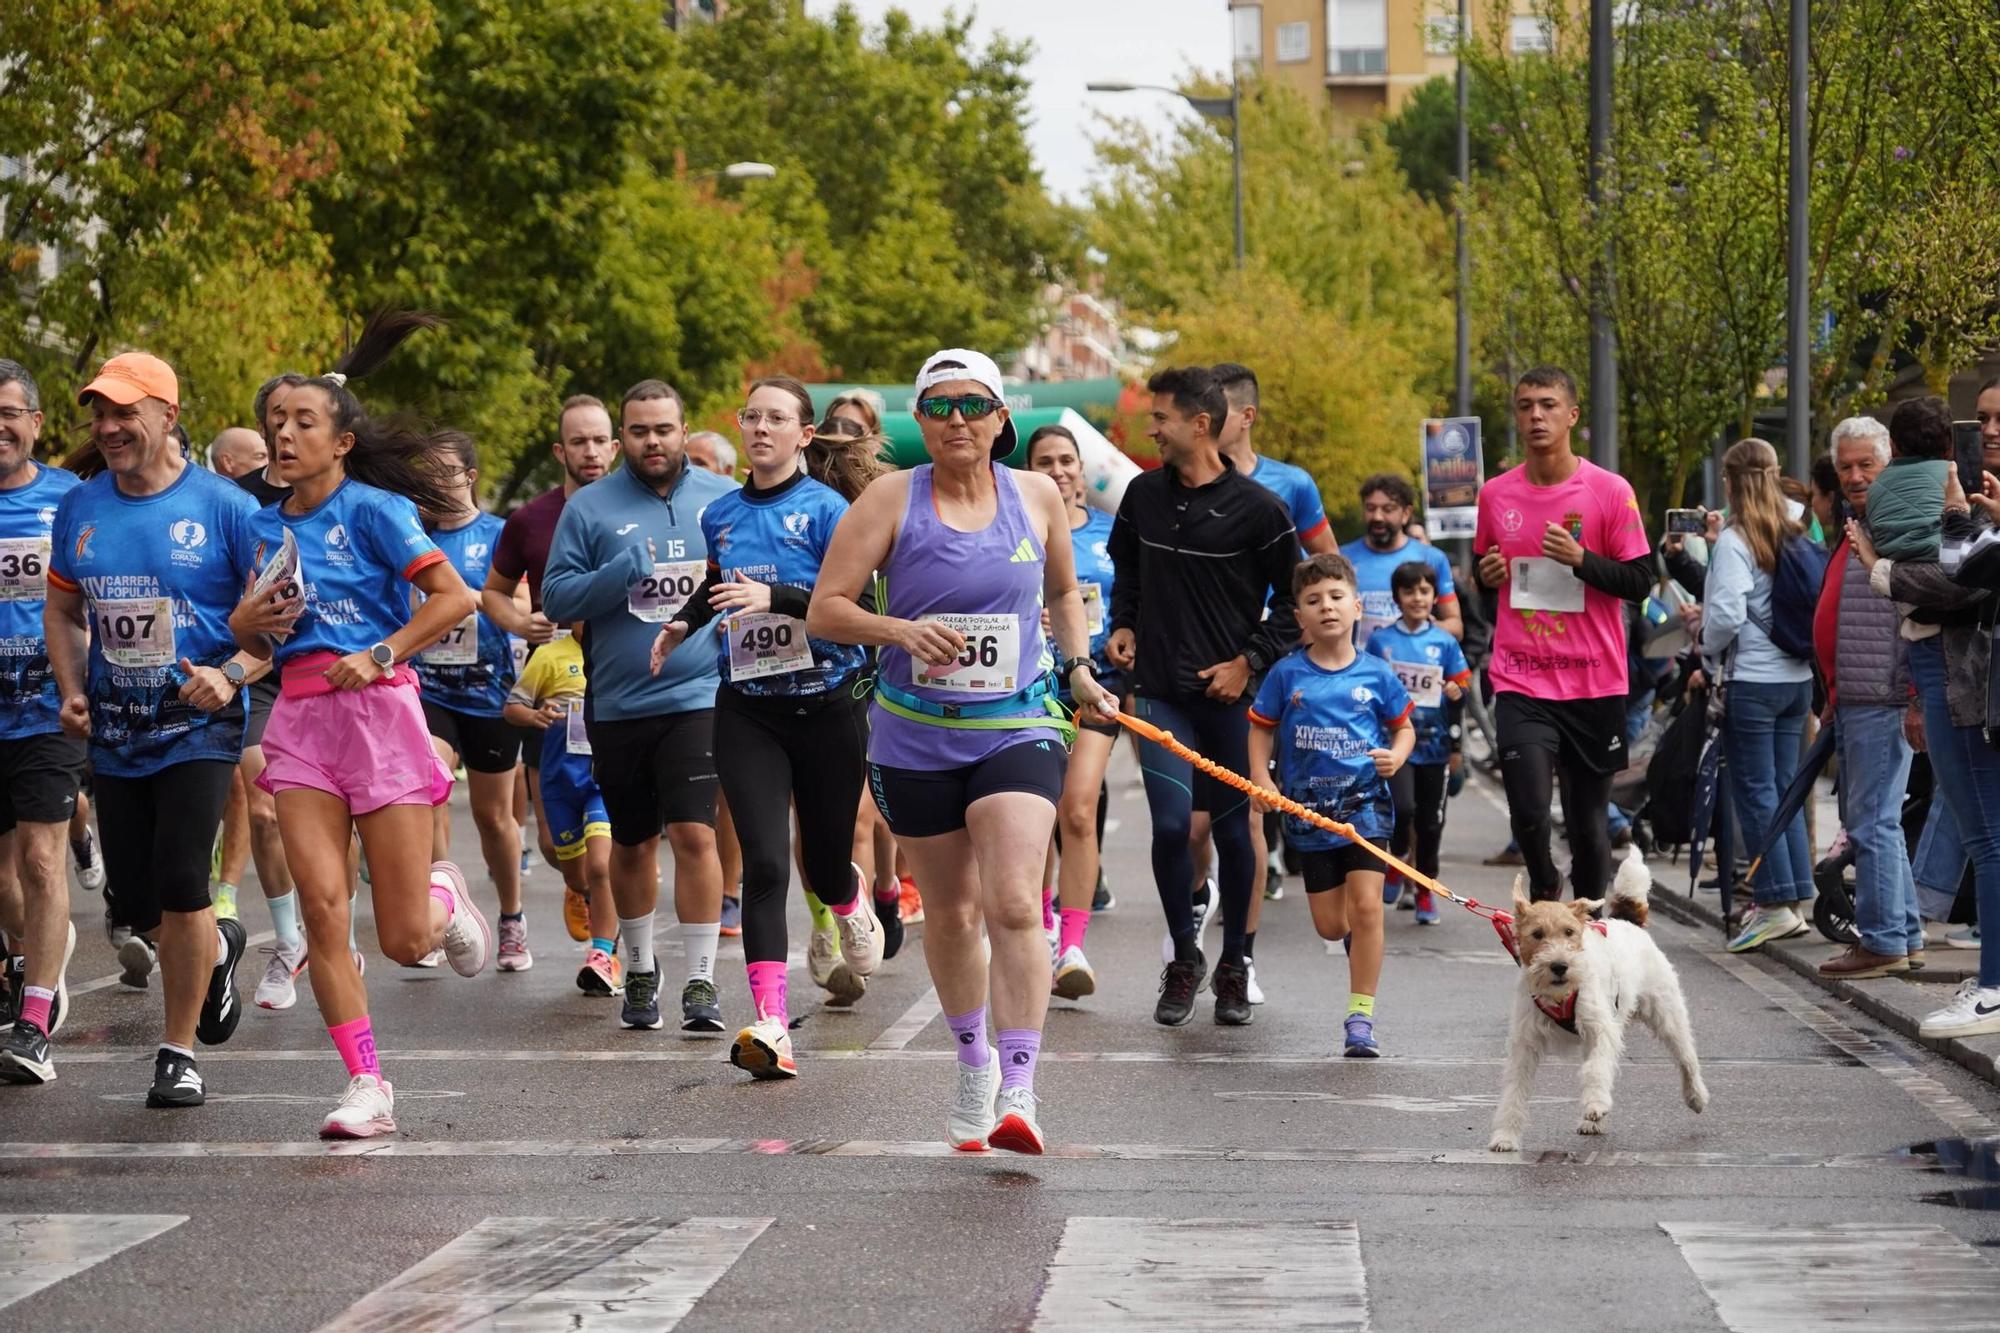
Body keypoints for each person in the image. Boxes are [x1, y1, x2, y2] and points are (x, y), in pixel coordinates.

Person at [809, 347, 1116, 1154]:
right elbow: (826, 609)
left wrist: (1079, 667)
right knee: (950, 910)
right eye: (940, 406)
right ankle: (973, 1061)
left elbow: (1059, 591)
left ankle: (1020, 1086)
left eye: (973, 404)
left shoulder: (1038, 495)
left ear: (1001, 417)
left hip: (1016, 725)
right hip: (915, 732)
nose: (957, 420)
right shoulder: (888, 499)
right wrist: (897, 630)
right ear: (920, 418)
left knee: (1015, 900)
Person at [227, 314, 492, 1139]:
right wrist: (242, 624)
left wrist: (381, 652)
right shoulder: (259, 522)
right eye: (276, 421)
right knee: (323, 908)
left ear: (341, 441)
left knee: (407, 937)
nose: (285, 433)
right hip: (303, 718)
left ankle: (445, 900)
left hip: (379, 712)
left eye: (304, 421)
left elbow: (458, 597)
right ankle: (366, 1082)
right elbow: (254, 640)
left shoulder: (376, 511)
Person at [34, 351, 264, 1101]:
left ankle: (178, 1051)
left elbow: (281, 625)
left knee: (180, 877)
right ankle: (218, 953)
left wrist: (227, 674)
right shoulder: (82, 504)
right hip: (116, 729)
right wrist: (72, 690)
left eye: (124, 412)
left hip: (199, 727)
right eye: (99, 414)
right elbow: (64, 610)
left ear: (168, 414)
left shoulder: (227, 508)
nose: (107, 427)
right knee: (135, 905)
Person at [651, 376, 880, 1080]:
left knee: (827, 856)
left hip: (827, 705)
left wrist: (775, 595)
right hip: (748, 706)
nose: (760, 428)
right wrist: (683, 623)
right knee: (764, 861)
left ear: (805, 435)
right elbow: (715, 577)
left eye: (776, 418)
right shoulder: (720, 512)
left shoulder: (829, 509)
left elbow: (861, 601)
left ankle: (848, 901)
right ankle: (773, 1022)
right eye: (751, 416)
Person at [1109, 365, 1301, 1028]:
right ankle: (1186, 955)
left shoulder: (1262, 511)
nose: (1151, 429)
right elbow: (1126, 569)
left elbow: (1296, 608)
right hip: (1159, 693)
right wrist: (1124, 624)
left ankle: (1236, 962)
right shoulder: (1141, 495)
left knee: (1232, 830)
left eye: (1160, 418)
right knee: (1169, 826)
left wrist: (1247, 664)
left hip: (1224, 701)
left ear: (1199, 423)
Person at [541, 379, 735, 1035]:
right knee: (632, 841)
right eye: (640, 430)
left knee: (694, 832)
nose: (653, 441)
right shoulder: (590, 508)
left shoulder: (720, 499)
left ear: (685, 430)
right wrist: (617, 572)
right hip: (619, 703)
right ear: (622, 436)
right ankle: (643, 965)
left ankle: (703, 979)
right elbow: (559, 599)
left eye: (664, 428)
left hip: (699, 694)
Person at [1474, 366, 1652, 904]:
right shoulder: (1495, 495)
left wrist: (1582, 561)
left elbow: (1640, 583)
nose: (1536, 415)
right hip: (1522, 679)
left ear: (1571, 415)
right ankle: (1548, 889)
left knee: (1587, 825)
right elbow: (1488, 592)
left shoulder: (1609, 491)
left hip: (1593, 681)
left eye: (1548, 404)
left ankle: (1591, 927)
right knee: (1528, 813)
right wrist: (1486, 580)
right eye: (1525, 405)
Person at [1858, 413, 2000, 1036]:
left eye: (1996, 418)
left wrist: (1878, 568)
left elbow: (1961, 581)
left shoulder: (1947, 490)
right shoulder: (1956, 487)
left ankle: (1994, 988)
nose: (1986, 429)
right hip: (1951, 668)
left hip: (1963, 672)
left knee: (1988, 839)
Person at [1250, 552, 1414, 1056]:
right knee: (1331, 924)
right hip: (1307, 813)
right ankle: (1353, 945)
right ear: (1299, 616)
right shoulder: (1285, 675)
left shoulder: (1378, 674)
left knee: (1368, 908)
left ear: (1357, 607)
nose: (1327, 608)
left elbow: (1402, 727)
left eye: (1337, 597)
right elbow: (1260, 729)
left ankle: (1360, 1019)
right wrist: (1262, 779)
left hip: (1366, 807)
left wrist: (1396, 757)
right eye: (1314, 601)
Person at [481, 395, 615, 946]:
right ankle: (576, 882)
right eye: (577, 441)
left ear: (615, 445)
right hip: (552, 684)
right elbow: (492, 592)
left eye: (599, 440)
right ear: (561, 450)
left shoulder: (637, 507)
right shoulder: (530, 520)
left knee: (614, 837)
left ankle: (613, 948)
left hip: (618, 679)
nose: (590, 451)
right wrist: (519, 625)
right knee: (559, 846)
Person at [1812, 415, 1922, 978]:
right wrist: (1834, 690)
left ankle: (1882, 940)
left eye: (1866, 464)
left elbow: (1910, 608)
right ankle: (1901, 931)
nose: (1855, 475)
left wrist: (1911, 696)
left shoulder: (1892, 520)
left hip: (1881, 695)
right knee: (1878, 818)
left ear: (1887, 463)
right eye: (1847, 466)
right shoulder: (1859, 520)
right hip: (1857, 693)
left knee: (1873, 819)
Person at [413, 432, 528, 970]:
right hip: (429, 687)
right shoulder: (413, 536)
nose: (435, 482)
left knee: (493, 818)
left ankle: (511, 917)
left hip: (489, 693)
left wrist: (466, 599)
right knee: (430, 784)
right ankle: (440, 914)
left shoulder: (499, 534)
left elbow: (522, 605)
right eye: (426, 473)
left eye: (445, 472)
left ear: (470, 477)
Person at [1699, 440, 1818, 953]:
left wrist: (1705, 646)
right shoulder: (1797, 523)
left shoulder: (1735, 539)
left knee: (1756, 792)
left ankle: (1772, 904)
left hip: (1752, 681)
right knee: (1785, 789)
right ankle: (1793, 895)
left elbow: (1725, 615)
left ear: (1729, 482)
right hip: (1797, 679)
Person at [0, 358, 82, 1083]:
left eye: (8, 412)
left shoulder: (72, 498)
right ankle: (35, 965)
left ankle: (32, 1024)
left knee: (42, 859)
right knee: (5, 881)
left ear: (34, 422)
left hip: (45, 710)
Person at [1026, 424, 1119, 999]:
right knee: (1036, 817)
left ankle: (1073, 945)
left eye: (1067, 461)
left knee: (1078, 811)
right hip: (1030, 688)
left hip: (1098, 685)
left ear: (1082, 471)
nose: (1058, 471)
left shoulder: (1112, 535)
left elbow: (1133, 605)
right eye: (1045, 462)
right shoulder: (1014, 527)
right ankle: (1037, 928)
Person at [502, 627, 621, 996]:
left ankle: (603, 954)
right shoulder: (551, 655)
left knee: (601, 866)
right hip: (560, 779)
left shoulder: (620, 648)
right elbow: (512, 707)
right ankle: (584, 893)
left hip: (604, 778)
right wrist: (535, 715)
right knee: (563, 858)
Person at [1363, 559, 1471, 926]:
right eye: (1409, 591)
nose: (1417, 598)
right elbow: (1369, 688)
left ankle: (1425, 890)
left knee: (1431, 823)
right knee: (1402, 809)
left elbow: (1462, 688)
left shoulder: (1443, 641)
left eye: (1425, 591)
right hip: (1397, 743)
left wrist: (1456, 693)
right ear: (1397, 597)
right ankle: (1398, 859)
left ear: (1433, 596)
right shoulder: (1381, 640)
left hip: (1435, 746)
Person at [1343, 473, 1463, 647]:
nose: (1377, 516)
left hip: (1407, 667)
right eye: (1370, 508)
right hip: (1358, 670)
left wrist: (1422, 627)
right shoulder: (1342, 559)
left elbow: (1456, 627)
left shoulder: (1432, 558)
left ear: (1406, 513)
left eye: (1388, 509)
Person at [1864, 398, 1954, 562]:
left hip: (1893, 575)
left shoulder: (1874, 489)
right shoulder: (1956, 479)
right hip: (1947, 567)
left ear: (1892, 446)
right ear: (1949, 449)